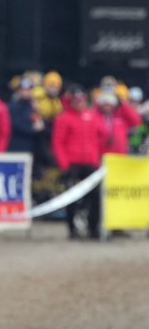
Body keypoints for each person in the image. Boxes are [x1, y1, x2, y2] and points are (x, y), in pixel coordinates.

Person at [52, 85, 102, 239]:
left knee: (96, 197)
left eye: (81, 99)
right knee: (71, 198)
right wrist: (64, 164)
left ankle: (93, 228)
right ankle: (72, 229)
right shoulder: (63, 118)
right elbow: (58, 143)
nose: (79, 103)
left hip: (91, 163)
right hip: (72, 164)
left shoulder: (92, 116)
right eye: (76, 100)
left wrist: (97, 159)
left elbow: (99, 139)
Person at [8, 76, 44, 156]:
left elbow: (39, 126)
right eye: (23, 89)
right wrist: (33, 129)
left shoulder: (33, 106)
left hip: (31, 148)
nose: (25, 92)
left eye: (28, 90)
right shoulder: (13, 106)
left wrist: (38, 112)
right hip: (16, 147)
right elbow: (16, 124)